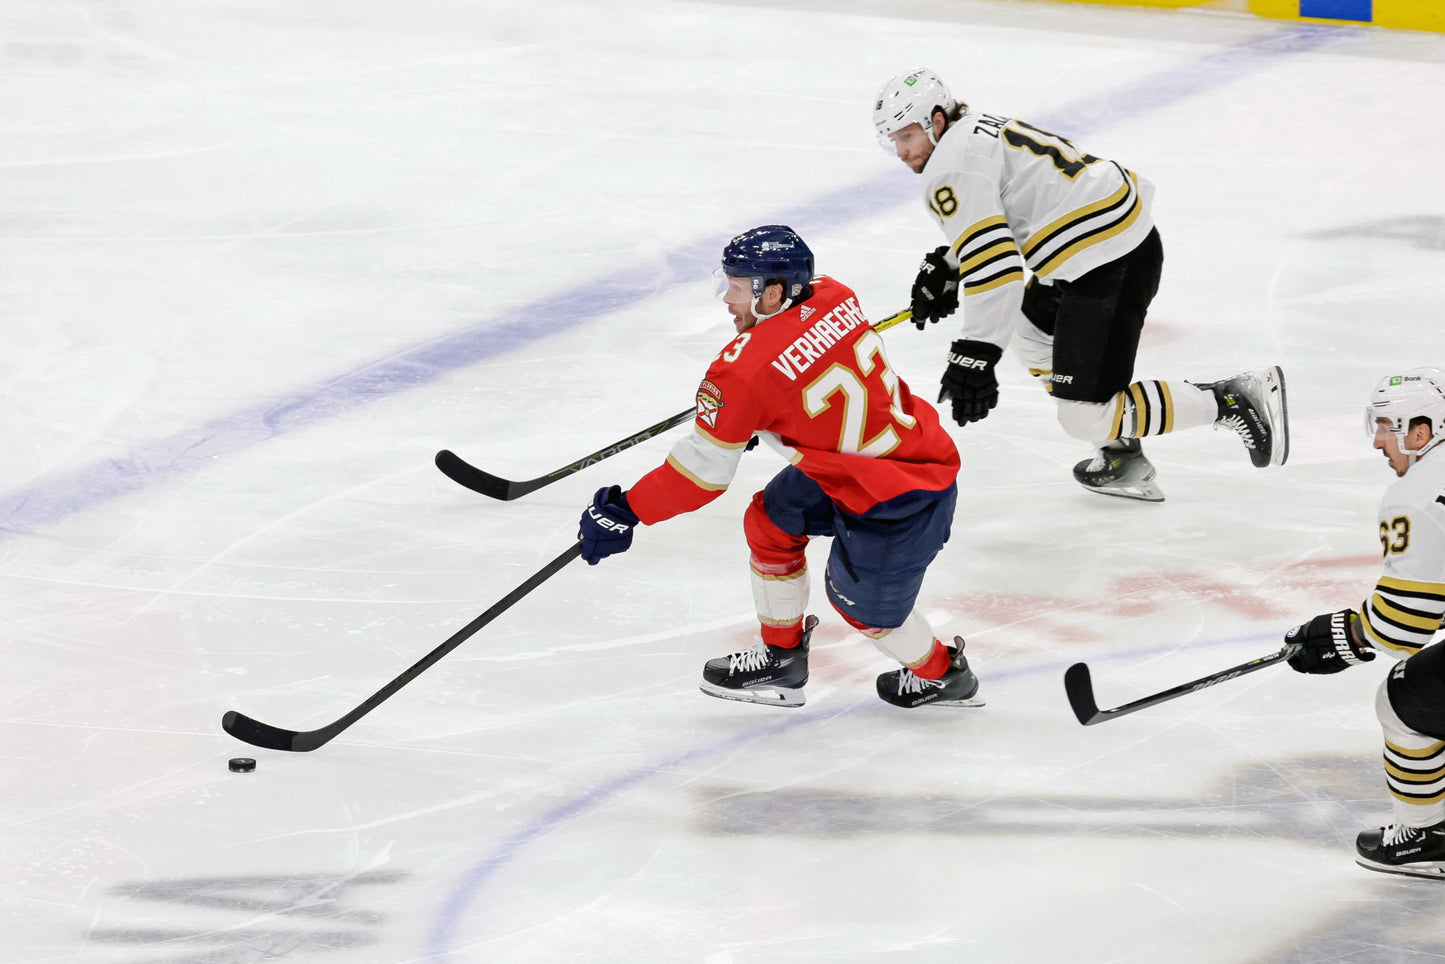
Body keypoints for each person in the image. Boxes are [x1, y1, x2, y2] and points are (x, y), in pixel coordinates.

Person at [576, 224, 981, 710]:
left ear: (774, 293)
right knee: (770, 519)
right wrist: (755, 418)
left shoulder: (742, 373)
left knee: (869, 613)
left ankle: (944, 676)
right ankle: (782, 659)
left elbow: (698, 477)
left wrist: (627, 510)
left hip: (905, 494)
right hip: (868, 463)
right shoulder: (835, 294)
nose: (728, 299)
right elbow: (808, 366)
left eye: (739, 287)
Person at [872, 67, 1290, 502]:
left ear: (936, 121)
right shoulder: (974, 130)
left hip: (1108, 263)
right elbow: (1007, 214)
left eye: (906, 137)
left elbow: (996, 268)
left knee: (1082, 418)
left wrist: (974, 356)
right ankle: (1120, 452)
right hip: (1103, 244)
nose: (901, 151)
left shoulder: (949, 165)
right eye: (893, 141)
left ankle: (1231, 399)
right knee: (1025, 327)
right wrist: (951, 262)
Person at [1283, 368, 1445, 879]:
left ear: (1420, 433)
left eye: (1385, 427)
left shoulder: (1418, 492)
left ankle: (1427, 832)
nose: (1377, 442)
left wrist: (1343, 637)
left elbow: (1405, 624)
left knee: (1404, 700)